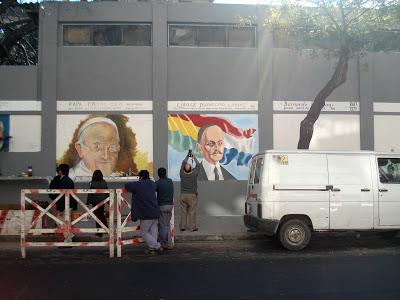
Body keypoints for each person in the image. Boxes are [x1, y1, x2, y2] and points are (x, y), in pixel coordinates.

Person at [58, 115, 140, 178]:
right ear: (80, 149)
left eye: (112, 147)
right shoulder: (71, 177)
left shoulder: (117, 176)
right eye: (97, 146)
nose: (105, 156)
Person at [124, 170, 163, 254]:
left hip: (146, 213)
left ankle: (157, 246)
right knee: (154, 231)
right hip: (155, 212)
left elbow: (127, 186)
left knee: (144, 232)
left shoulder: (138, 185)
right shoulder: (152, 184)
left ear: (140, 177)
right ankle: (152, 249)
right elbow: (155, 186)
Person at [49, 164, 76, 242]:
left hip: (65, 205)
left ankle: (68, 240)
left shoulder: (64, 181)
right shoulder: (67, 180)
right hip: (67, 205)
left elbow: (63, 195)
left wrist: (60, 208)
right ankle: (70, 237)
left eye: (59, 170)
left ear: (61, 171)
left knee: (60, 221)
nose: (58, 171)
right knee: (63, 222)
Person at [180, 152, 200, 232]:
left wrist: (187, 156)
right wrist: (194, 157)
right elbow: (198, 165)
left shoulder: (182, 173)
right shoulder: (194, 174)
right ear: (191, 169)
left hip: (182, 196)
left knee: (183, 212)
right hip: (192, 196)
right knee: (192, 212)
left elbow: (183, 163)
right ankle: (192, 227)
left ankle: (182, 226)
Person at [155, 167, 174, 249]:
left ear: (158, 174)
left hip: (162, 205)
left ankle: (164, 244)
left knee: (162, 225)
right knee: (167, 225)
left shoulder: (157, 183)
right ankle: (169, 243)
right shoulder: (170, 181)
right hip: (170, 205)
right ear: (165, 173)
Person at [87, 170, 109, 237]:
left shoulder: (92, 183)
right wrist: (108, 201)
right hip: (102, 201)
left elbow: (90, 193)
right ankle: (106, 229)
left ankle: (99, 232)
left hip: (94, 201)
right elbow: (107, 192)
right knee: (101, 214)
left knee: (97, 216)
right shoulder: (104, 182)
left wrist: (87, 202)